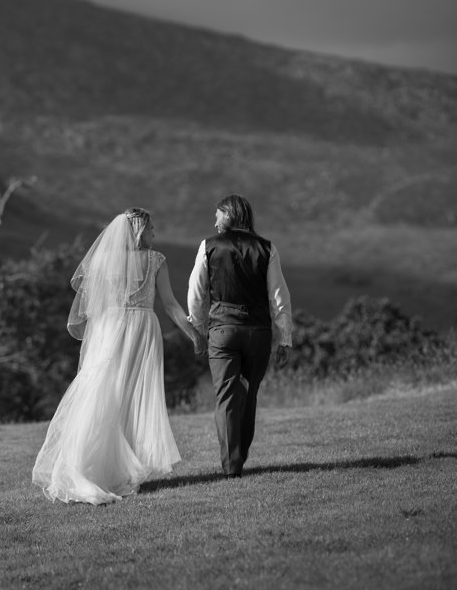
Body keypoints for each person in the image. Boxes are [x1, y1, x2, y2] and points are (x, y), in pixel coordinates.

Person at [32, 208, 206, 505]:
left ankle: (101, 469)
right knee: (129, 401)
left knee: (104, 394)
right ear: (139, 230)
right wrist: (193, 333)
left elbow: (94, 306)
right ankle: (113, 472)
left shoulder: (104, 261)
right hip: (141, 331)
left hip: (109, 329)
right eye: (151, 228)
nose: (154, 234)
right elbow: (171, 306)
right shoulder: (155, 260)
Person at [187, 194, 293, 479]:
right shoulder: (266, 248)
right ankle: (239, 456)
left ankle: (232, 463)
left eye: (218, 214)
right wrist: (285, 338)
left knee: (226, 397)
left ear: (230, 214)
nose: (215, 220)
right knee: (249, 395)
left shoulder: (208, 246)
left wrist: (197, 328)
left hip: (222, 331)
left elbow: (196, 292)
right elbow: (279, 296)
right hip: (258, 332)